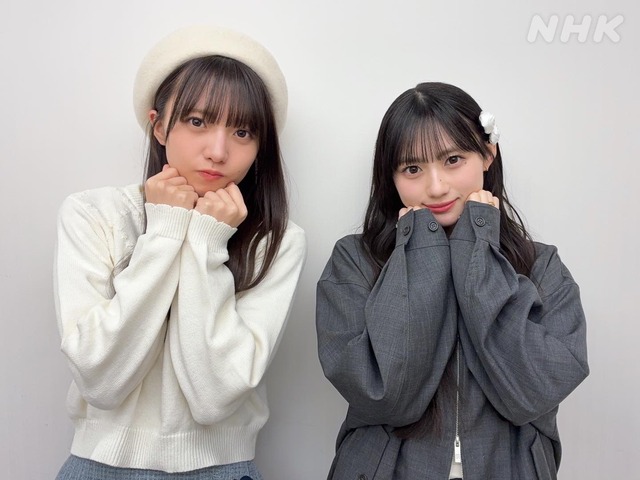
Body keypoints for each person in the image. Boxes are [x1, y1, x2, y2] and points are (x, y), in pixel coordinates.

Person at [54, 25, 306, 479]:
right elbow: (100, 381)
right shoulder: (94, 214)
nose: (218, 151)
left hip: (222, 468)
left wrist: (205, 242)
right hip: (98, 466)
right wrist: (166, 232)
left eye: (242, 131)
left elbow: (214, 397)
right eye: (197, 121)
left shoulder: (277, 240)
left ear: (259, 146)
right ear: (158, 125)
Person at [315, 82, 588, 479]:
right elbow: (385, 395)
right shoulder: (355, 261)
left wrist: (478, 251)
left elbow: (534, 391)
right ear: (391, 177)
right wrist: (421, 251)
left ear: (487, 155)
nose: (436, 187)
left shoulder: (541, 264)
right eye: (412, 169)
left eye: (453, 159)